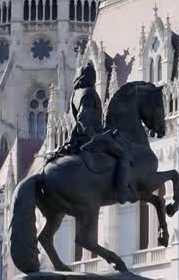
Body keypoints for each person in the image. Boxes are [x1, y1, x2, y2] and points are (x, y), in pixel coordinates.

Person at [48, 62, 134, 201]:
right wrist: (95, 136)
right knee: (123, 155)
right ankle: (122, 190)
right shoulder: (88, 93)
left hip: (76, 139)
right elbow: (84, 118)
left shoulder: (75, 95)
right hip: (89, 138)